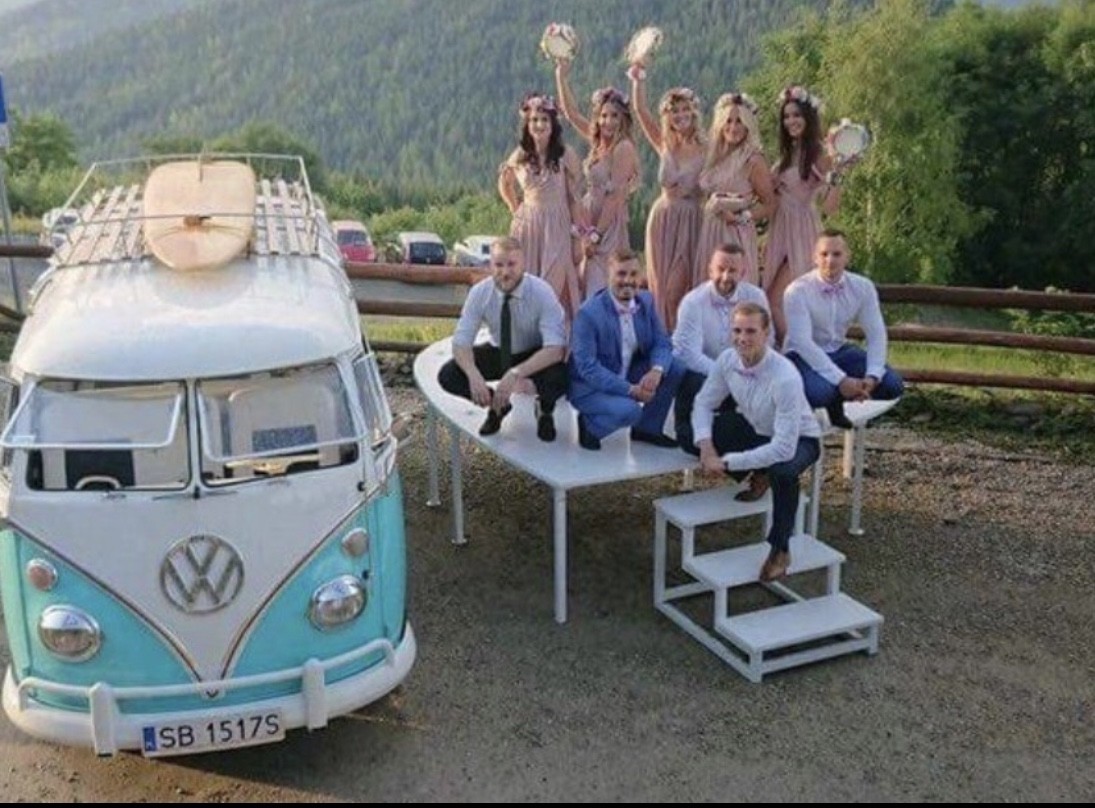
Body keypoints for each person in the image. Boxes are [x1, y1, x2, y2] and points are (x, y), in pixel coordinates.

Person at [693, 301, 821, 582]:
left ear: (766, 333)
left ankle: (780, 548)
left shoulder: (785, 376)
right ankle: (760, 472)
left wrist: (727, 462)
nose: (742, 338)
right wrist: (706, 447)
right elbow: (703, 403)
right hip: (759, 429)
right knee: (699, 434)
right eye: (737, 331)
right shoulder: (727, 360)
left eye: (750, 331)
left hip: (799, 439)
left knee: (783, 471)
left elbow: (784, 448)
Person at [438, 236, 569, 442]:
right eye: (499, 265)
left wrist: (515, 374)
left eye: (512, 264)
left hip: (533, 354)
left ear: (523, 264)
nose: (505, 272)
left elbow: (555, 349)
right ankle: (497, 405)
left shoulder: (542, 292)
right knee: (449, 375)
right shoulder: (479, 293)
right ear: (490, 264)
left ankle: (544, 409)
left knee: (561, 376)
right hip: (499, 351)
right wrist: (473, 375)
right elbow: (461, 343)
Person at [783, 229, 904, 430]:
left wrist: (872, 376)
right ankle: (834, 405)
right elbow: (802, 342)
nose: (830, 260)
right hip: (802, 355)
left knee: (893, 385)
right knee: (821, 393)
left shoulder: (863, 287)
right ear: (814, 257)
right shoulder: (797, 291)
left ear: (847, 256)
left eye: (837, 254)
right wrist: (841, 380)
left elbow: (876, 334)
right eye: (824, 254)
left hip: (839, 350)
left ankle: (851, 396)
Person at [568, 249, 685, 451]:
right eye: (621, 274)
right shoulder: (588, 314)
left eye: (633, 274)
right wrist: (631, 390)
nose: (628, 281)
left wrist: (656, 370)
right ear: (609, 275)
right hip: (591, 386)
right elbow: (588, 368)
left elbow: (662, 342)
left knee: (674, 367)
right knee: (631, 411)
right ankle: (590, 426)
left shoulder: (646, 301)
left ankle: (648, 429)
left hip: (627, 369)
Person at [627, 64, 705, 332]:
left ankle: (682, 341)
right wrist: (638, 77)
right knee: (660, 288)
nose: (680, 115)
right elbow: (640, 110)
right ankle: (665, 342)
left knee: (677, 291)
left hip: (690, 220)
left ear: (694, 112)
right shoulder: (665, 144)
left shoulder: (707, 148)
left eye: (685, 109)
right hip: (662, 219)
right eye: (674, 111)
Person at [555, 59, 640, 300]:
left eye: (614, 116)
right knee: (581, 283)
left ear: (623, 119)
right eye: (603, 116)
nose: (608, 122)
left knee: (600, 284)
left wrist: (596, 235)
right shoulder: (598, 142)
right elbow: (571, 114)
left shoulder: (623, 148)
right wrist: (561, 76)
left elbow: (616, 196)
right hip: (588, 215)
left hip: (607, 224)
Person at [673, 243, 770, 453]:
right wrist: (729, 375)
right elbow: (688, 354)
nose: (725, 277)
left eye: (732, 270)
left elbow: (765, 342)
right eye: (720, 269)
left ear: (743, 272)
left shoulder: (756, 297)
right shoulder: (693, 302)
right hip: (703, 379)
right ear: (710, 270)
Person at [764, 84, 841, 341]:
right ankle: (794, 349)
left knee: (777, 300)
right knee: (778, 299)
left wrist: (838, 175)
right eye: (786, 116)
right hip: (780, 230)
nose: (791, 121)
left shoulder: (819, 154)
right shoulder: (788, 154)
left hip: (801, 231)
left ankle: (799, 351)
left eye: (796, 115)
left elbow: (830, 207)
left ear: (808, 117)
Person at [498, 93, 584, 322]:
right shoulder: (521, 154)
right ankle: (527, 336)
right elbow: (505, 182)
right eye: (534, 120)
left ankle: (554, 336)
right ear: (527, 124)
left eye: (544, 119)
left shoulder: (565, 154)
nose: (539, 125)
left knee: (551, 286)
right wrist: (515, 208)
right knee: (526, 282)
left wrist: (578, 238)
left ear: (553, 124)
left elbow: (574, 199)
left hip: (557, 224)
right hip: (528, 226)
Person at [693, 92, 775, 290]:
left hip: (736, 233)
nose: (733, 127)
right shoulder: (713, 157)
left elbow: (770, 204)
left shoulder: (753, 160)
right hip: (710, 231)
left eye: (739, 121)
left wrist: (741, 217)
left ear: (748, 125)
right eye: (728, 121)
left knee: (735, 290)